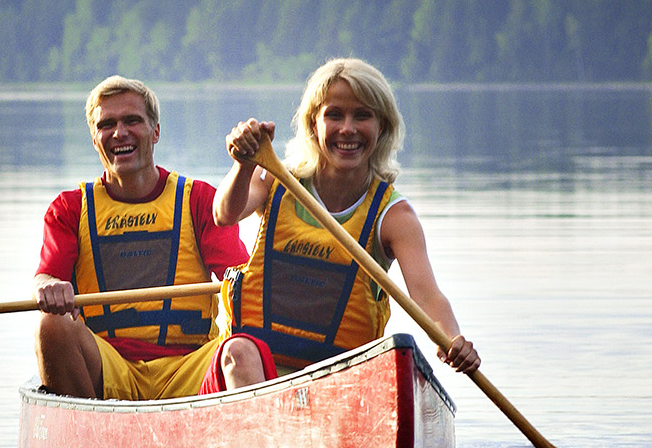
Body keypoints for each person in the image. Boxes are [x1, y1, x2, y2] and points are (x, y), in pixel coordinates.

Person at [204, 57, 481, 392]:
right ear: (313, 124)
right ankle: (264, 437)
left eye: (361, 115)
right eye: (334, 115)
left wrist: (451, 339)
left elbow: (428, 296)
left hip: (340, 380)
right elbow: (224, 214)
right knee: (237, 350)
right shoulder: (274, 179)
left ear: (382, 127)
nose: (347, 129)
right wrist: (244, 165)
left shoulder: (394, 217)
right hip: (256, 370)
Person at [33, 75, 265, 399]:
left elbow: (242, 280)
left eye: (132, 121)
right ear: (94, 138)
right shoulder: (69, 209)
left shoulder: (198, 199)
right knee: (50, 325)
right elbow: (47, 275)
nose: (119, 133)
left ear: (155, 132)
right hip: (107, 366)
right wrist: (46, 286)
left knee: (246, 345)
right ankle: (94, 431)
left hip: (191, 366)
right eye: (106, 124)